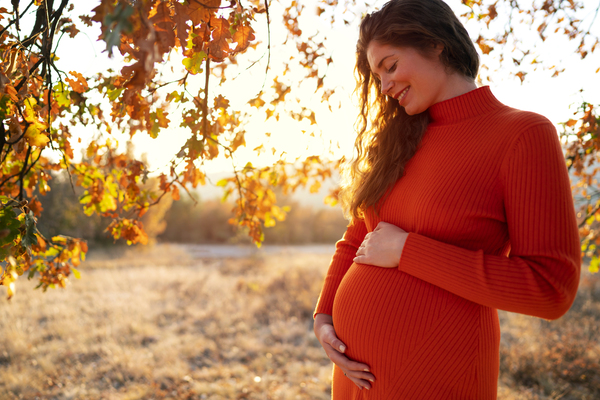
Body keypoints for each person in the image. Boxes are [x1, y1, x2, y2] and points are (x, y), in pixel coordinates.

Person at [312, 0, 581, 398]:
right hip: (356, 378)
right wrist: (324, 315)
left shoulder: (522, 134)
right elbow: (359, 236)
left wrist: (408, 251)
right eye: (376, 75)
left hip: (439, 376)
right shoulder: (398, 141)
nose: (384, 86)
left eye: (389, 66)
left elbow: (550, 287)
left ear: (435, 44)